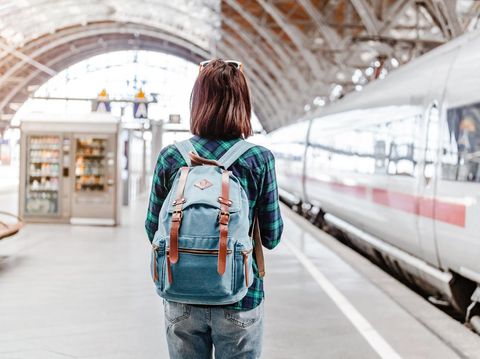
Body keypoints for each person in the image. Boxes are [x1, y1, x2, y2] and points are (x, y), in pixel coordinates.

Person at [145, 58, 283, 359]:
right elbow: (272, 237)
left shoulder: (172, 157)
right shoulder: (259, 159)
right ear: (243, 103)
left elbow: (151, 229)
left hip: (181, 295)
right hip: (241, 297)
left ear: (197, 102)